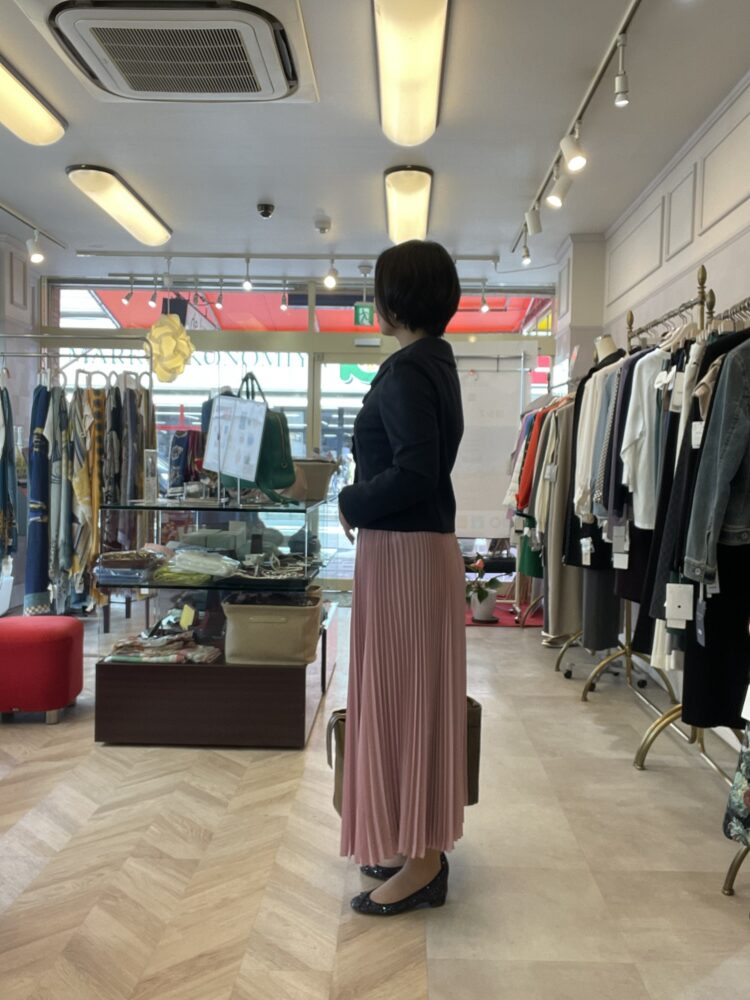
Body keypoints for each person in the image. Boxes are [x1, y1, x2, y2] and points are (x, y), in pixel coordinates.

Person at [338, 239, 467, 916]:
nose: (373, 300)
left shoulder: (411, 370)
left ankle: (422, 860)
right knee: (407, 699)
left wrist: (350, 501)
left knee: (407, 700)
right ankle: (411, 839)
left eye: (379, 287)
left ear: (396, 299)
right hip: (412, 553)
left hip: (404, 556)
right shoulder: (432, 363)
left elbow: (415, 471)